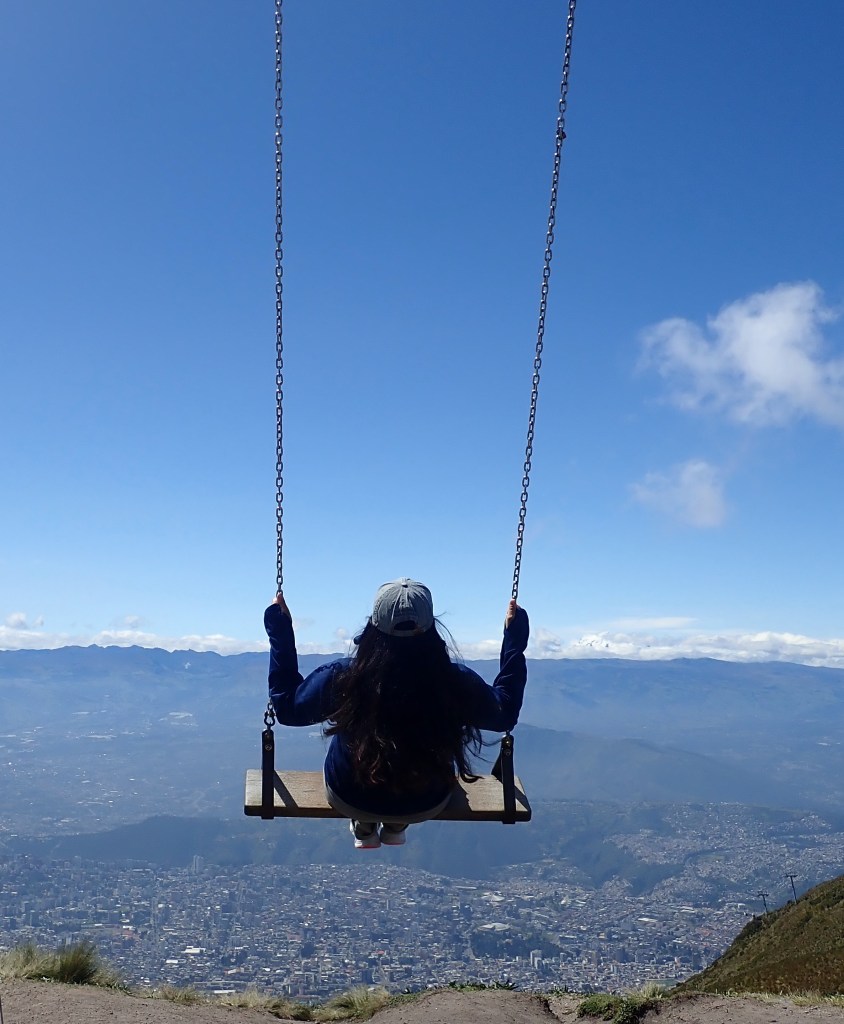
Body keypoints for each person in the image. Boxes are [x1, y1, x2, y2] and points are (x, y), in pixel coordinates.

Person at [264, 578, 529, 849]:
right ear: (431, 630)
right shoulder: (452, 682)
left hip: (349, 795)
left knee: (350, 736)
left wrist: (280, 629)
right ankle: (397, 824)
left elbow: (287, 708)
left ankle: (364, 822)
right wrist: (514, 638)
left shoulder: (344, 678)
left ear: (372, 626)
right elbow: (504, 713)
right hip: (425, 801)